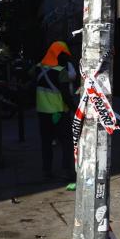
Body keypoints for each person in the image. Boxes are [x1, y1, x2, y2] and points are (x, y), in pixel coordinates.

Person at [31, 41, 77, 180]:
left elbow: (29, 77)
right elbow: (65, 94)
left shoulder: (38, 68)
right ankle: (66, 171)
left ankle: (47, 171)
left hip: (42, 112)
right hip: (58, 113)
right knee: (66, 142)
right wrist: (75, 108)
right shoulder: (60, 71)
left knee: (46, 142)